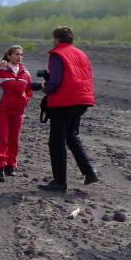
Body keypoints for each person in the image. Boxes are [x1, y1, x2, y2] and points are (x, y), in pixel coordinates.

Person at [38, 26, 99, 191]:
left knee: (56, 141)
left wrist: (46, 88)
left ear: (57, 38)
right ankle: (89, 172)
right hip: (82, 99)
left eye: (54, 38)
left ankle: (59, 182)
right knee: (71, 136)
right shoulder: (81, 53)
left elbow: (56, 81)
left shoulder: (58, 54)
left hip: (65, 101)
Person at [0, 45, 34, 182]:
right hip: (2, 110)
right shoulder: (1, 69)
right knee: (2, 138)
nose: (19, 57)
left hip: (18, 111)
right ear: (9, 56)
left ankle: (11, 165)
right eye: (16, 54)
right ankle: (0, 166)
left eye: (21, 55)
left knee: (14, 139)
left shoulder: (25, 72)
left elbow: (29, 90)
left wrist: (25, 100)